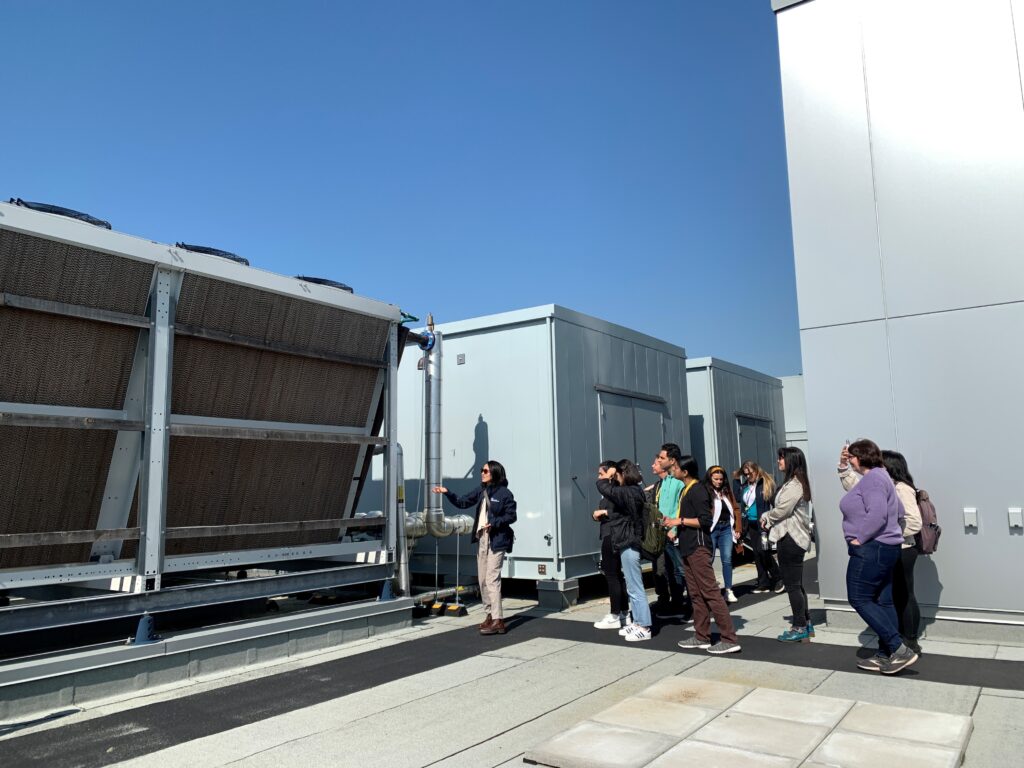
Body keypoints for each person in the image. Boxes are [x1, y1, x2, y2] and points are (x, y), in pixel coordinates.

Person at [837, 439, 917, 674]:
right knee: (884, 600)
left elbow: (878, 514)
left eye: (852, 457)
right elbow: (899, 513)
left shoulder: (872, 479)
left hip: (872, 548)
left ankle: (898, 648)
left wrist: (860, 538)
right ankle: (886, 654)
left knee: (859, 598)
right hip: (887, 548)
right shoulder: (883, 477)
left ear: (860, 458)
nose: (850, 460)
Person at [661, 447, 741, 655]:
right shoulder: (686, 489)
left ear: (685, 472)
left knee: (711, 593)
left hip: (697, 547)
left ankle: (729, 638)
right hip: (687, 547)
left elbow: (704, 521)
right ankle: (702, 635)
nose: (673, 469)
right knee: (696, 594)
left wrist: (679, 521)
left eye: (676, 467)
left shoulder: (697, 490)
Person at [432, 460, 516, 635]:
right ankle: (489, 615)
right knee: (482, 580)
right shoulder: (481, 490)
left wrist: (494, 522)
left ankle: (498, 620)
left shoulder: (505, 493)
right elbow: (463, 502)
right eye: (481, 470)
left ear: (494, 473)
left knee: (492, 579)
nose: (482, 473)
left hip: (497, 539)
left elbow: (511, 516)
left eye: (485, 470)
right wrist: (447, 493)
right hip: (482, 539)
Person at [762, 447, 814, 642]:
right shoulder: (795, 482)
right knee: (796, 585)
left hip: (791, 538)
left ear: (791, 460)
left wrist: (767, 516)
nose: (778, 462)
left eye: (782, 458)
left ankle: (799, 625)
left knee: (792, 585)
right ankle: (805, 623)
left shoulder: (795, 485)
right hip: (791, 537)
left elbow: (782, 509)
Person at [597, 459, 651, 642]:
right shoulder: (633, 490)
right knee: (631, 584)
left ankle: (644, 626)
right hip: (628, 540)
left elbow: (604, 488)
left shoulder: (629, 491)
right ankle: (637, 622)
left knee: (635, 585)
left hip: (630, 541)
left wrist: (607, 476)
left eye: (616, 474)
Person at [647, 450, 688, 619]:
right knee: (667, 569)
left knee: (679, 569)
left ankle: (683, 603)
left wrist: (674, 528)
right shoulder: (664, 483)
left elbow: (680, 506)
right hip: (661, 532)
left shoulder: (679, 482)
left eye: (661, 459)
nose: (656, 463)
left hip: (673, 531)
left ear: (671, 461)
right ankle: (674, 602)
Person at [592, 460, 630, 630]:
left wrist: (604, 512)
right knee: (616, 574)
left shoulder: (617, 490)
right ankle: (623, 612)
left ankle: (615, 614)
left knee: (612, 575)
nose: (599, 477)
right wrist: (598, 514)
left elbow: (622, 511)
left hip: (613, 534)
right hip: (609, 533)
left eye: (602, 473)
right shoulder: (612, 492)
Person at [737, 461, 781, 593]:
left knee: (763, 551)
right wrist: (735, 479)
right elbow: (738, 498)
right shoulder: (745, 486)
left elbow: (775, 502)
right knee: (756, 553)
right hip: (750, 522)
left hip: (763, 522)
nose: (748, 476)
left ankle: (778, 577)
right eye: (745, 474)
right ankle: (763, 582)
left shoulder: (764, 484)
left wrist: (772, 519)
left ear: (756, 471)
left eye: (750, 473)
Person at [706, 465, 743, 604]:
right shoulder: (707, 491)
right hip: (712, 529)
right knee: (708, 559)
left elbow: (736, 509)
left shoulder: (726, 491)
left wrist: (738, 527)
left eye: (721, 479)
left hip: (726, 527)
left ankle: (728, 590)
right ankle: (711, 590)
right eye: (716, 479)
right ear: (710, 479)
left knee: (727, 559)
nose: (719, 482)